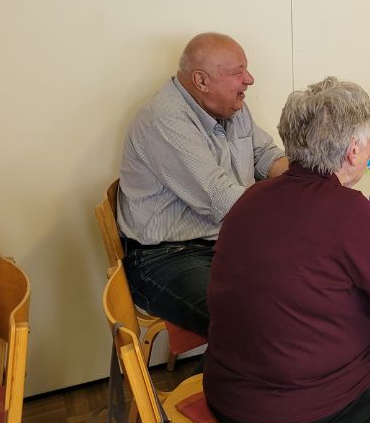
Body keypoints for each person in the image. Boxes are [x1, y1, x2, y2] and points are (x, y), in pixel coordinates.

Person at [204, 77, 370, 423]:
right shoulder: (347, 210)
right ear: (354, 151)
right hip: (298, 415)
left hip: (227, 393)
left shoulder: (251, 197)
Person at [117, 32, 288, 336]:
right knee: (252, 326)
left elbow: (265, 155)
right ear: (201, 81)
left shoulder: (231, 107)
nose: (249, 79)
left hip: (226, 242)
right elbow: (224, 199)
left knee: (314, 292)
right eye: (238, 72)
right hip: (168, 257)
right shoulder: (165, 119)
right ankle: (236, 376)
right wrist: (301, 204)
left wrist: (315, 176)